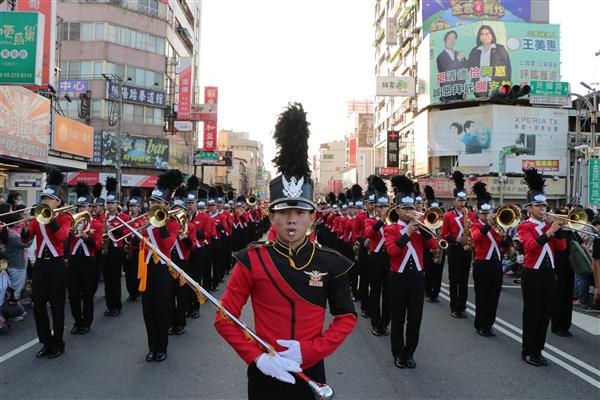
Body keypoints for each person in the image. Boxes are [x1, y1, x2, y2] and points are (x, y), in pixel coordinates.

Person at [215, 103, 356, 399]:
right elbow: (224, 318)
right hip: (265, 370)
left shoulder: (330, 261)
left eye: (299, 211)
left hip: (311, 369)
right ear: (271, 217)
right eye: (284, 211)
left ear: (311, 218)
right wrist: (257, 357)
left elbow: (346, 317)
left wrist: (310, 350)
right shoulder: (252, 260)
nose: (292, 218)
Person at [384, 175, 438, 369]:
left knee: (415, 318)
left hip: (417, 278)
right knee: (398, 318)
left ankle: (410, 352)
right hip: (397, 277)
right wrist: (407, 233)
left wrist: (422, 229)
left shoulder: (420, 228)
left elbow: (433, 245)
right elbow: (392, 251)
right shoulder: (390, 229)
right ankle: (398, 353)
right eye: (406, 208)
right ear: (397, 210)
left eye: (412, 208)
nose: (410, 212)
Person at [517, 168, 566, 367]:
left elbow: (561, 248)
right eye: (538, 205)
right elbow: (530, 247)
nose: (543, 208)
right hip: (532, 274)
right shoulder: (525, 226)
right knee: (532, 313)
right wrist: (550, 232)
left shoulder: (549, 225)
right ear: (530, 207)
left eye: (544, 205)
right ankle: (528, 350)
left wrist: (559, 231)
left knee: (545, 314)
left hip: (548, 274)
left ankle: (539, 350)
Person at [21, 169, 71, 359]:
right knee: (39, 306)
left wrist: (50, 220)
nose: (45, 201)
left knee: (57, 306)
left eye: (49, 199)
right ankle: (46, 342)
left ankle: (58, 343)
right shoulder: (37, 217)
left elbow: (61, 237)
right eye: (44, 198)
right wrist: (26, 228)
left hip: (56, 264)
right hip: (41, 265)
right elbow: (26, 240)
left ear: (57, 201)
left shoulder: (65, 217)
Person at [139, 170, 183, 362]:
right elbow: (137, 245)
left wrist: (161, 223)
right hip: (146, 269)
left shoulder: (173, 223)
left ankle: (162, 347)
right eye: (152, 202)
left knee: (162, 310)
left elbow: (167, 245)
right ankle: (152, 347)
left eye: (158, 203)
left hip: (163, 270)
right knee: (148, 311)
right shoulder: (144, 222)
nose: (154, 206)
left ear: (166, 205)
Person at [470, 182, 511, 337]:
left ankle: (489, 324)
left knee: (494, 296)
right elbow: (477, 238)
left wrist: (506, 239)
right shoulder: (475, 225)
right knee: (482, 296)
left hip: (496, 265)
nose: (486, 216)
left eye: (488, 213)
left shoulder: (497, 226)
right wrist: (488, 225)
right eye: (483, 214)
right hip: (482, 265)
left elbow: (504, 247)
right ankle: (480, 324)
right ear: (478, 213)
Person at [67, 182, 103, 335]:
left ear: (90, 208)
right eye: (80, 207)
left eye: (85, 207)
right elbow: (64, 241)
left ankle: (87, 322)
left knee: (88, 294)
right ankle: (77, 321)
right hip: (74, 260)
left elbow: (98, 246)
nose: (82, 209)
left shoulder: (96, 224)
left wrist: (87, 236)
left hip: (89, 261)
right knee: (74, 294)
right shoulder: (71, 222)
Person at [441, 171, 476, 318]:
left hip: (467, 250)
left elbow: (475, 231)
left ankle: (462, 306)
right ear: (454, 201)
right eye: (459, 200)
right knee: (454, 279)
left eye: (464, 200)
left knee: (464, 280)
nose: (462, 203)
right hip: (454, 249)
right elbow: (444, 234)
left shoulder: (472, 215)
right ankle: (454, 307)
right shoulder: (448, 215)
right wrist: (456, 239)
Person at [365, 175, 391, 335]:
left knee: (388, 292)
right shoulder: (371, 221)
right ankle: (375, 322)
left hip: (389, 258)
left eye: (385, 206)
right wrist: (381, 220)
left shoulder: (393, 221)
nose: (383, 209)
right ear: (376, 208)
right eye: (380, 206)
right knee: (375, 291)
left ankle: (385, 323)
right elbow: (369, 233)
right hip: (375, 258)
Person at [169, 186, 196, 336]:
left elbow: (192, 247)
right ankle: (170, 322)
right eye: (174, 209)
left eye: (180, 209)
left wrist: (185, 239)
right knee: (169, 295)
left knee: (181, 294)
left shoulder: (190, 227)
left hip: (182, 263)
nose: (176, 212)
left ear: (185, 211)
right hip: (168, 262)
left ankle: (180, 323)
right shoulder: (168, 225)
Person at [103, 177, 129, 317]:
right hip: (105, 249)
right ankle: (109, 306)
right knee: (107, 280)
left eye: (112, 203)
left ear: (117, 203)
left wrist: (112, 228)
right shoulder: (104, 217)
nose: (109, 205)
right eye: (107, 202)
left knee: (114, 279)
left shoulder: (123, 218)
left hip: (117, 249)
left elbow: (127, 234)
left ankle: (117, 306)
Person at [467, 24, 511, 93]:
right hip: (480, 87)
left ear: (492, 36)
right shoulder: (474, 51)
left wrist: (507, 86)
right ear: (479, 37)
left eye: (487, 33)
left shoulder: (500, 48)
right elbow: (469, 68)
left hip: (496, 86)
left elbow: (508, 68)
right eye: (482, 34)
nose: (485, 36)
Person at [423, 185, 445, 302]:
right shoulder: (424, 221)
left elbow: (445, 235)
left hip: (440, 249)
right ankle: (428, 292)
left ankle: (435, 293)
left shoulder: (442, 222)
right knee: (429, 272)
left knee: (438, 273)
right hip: (428, 250)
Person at [124, 188, 144, 302]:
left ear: (139, 207)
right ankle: (131, 292)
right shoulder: (125, 218)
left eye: (134, 206)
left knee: (137, 272)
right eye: (130, 206)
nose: (132, 208)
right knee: (128, 273)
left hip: (137, 249)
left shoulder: (142, 219)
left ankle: (137, 292)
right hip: (127, 249)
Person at [436, 30, 467, 101]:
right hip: (447, 94)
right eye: (449, 39)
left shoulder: (458, 53)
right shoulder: (440, 57)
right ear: (445, 41)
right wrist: (458, 58)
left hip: (460, 92)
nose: (452, 41)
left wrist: (464, 89)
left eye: (454, 38)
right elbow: (447, 70)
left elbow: (466, 69)